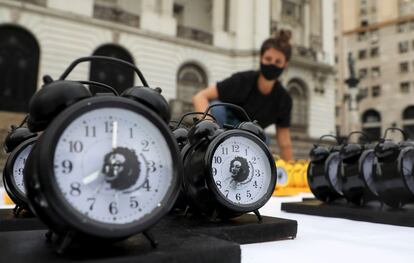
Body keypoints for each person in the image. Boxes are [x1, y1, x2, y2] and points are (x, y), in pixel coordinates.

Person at [192, 30, 293, 161]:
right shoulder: (242, 81)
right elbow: (200, 96)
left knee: (264, 139)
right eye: (268, 59)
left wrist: (291, 169)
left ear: (285, 64)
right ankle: (208, 154)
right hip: (221, 129)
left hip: (249, 136)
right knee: (216, 108)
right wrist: (208, 128)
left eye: (278, 61)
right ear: (261, 58)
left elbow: (284, 141)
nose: (272, 64)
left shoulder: (284, 100)